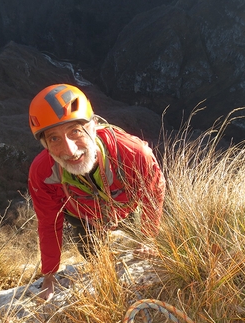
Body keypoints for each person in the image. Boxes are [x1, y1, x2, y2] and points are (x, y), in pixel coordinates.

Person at [27, 84, 165, 300]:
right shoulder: (42, 173)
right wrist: (50, 275)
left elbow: (154, 191)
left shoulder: (133, 154)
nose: (70, 150)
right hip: (84, 218)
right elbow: (49, 222)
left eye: (75, 131)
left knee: (146, 246)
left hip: (126, 209)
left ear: (93, 127)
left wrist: (147, 237)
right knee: (96, 258)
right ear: (45, 145)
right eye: (54, 138)